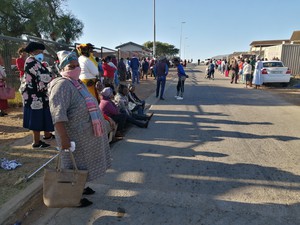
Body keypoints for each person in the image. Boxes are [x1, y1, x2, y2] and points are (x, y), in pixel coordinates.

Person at [49, 51, 111, 207]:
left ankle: (80, 187)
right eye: (71, 66)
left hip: (85, 137)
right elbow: (57, 115)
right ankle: (72, 198)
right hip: (73, 138)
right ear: (62, 68)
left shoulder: (77, 82)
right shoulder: (62, 85)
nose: (76, 68)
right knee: (72, 166)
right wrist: (64, 139)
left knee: (82, 165)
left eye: (77, 65)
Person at [20, 42, 54, 148]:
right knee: (37, 116)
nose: (41, 54)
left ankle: (47, 135)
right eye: (38, 52)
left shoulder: (36, 61)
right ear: (31, 52)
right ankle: (36, 142)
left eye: (41, 52)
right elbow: (42, 76)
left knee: (45, 113)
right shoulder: (31, 62)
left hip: (40, 94)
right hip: (33, 95)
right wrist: (53, 75)